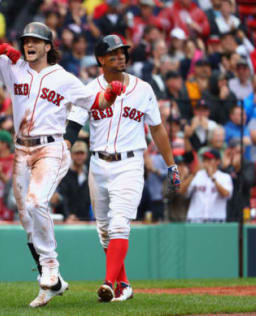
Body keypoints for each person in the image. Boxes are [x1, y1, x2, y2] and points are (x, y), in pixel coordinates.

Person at [0, 22, 110, 308]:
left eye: (35, 41)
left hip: (51, 147)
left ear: (48, 46)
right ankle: (52, 285)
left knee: (35, 203)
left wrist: (113, 94)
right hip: (21, 149)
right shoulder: (14, 67)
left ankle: (50, 268)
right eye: (25, 41)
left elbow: (95, 102)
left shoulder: (63, 77)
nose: (29, 45)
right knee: (26, 218)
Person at [65, 34, 180, 302]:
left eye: (122, 52)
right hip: (98, 162)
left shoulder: (143, 89)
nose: (120, 56)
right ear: (100, 59)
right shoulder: (89, 89)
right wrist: (62, 151)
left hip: (129, 163)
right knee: (104, 230)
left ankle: (108, 283)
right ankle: (123, 284)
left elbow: (157, 128)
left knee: (119, 224)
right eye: (113, 53)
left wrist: (171, 164)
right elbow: (73, 125)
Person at [181, 149, 233, 222]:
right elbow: (181, 191)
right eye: (204, 159)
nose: (206, 162)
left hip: (216, 219)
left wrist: (213, 178)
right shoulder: (197, 175)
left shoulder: (225, 177)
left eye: (209, 159)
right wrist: (193, 174)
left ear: (218, 161)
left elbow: (226, 194)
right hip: (195, 219)